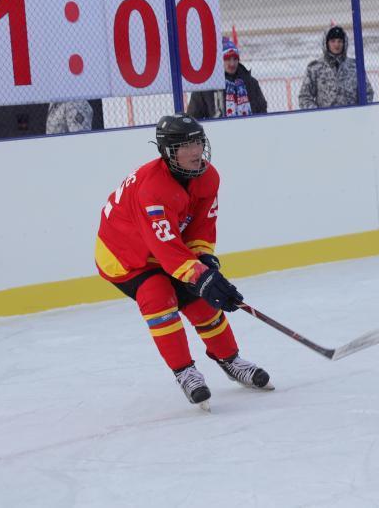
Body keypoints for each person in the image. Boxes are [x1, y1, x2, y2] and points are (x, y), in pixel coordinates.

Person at [95, 115, 272, 409]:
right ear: (168, 152)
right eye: (185, 145)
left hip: (164, 247)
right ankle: (184, 371)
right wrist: (200, 277)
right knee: (158, 295)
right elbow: (165, 249)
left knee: (200, 300)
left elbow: (200, 226)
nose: (195, 151)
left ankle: (230, 360)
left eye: (198, 142)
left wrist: (206, 263)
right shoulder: (152, 189)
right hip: (125, 256)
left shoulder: (208, 176)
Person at [187, 37, 267, 118]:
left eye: (235, 59)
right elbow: (193, 116)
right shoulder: (206, 86)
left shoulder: (250, 82)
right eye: (227, 59)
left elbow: (262, 110)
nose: (232, 64)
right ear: (219, 60)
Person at [298, 25, 374, 109]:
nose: (336, 44)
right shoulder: (315, 68)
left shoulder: (355, 66)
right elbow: (304, 98)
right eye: (333, 41)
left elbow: (368, 93)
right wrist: (318, 114)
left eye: (340, 41)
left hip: (351, 118)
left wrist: (358, 111)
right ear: (326, 43)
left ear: (344, 43)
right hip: (325, 119)